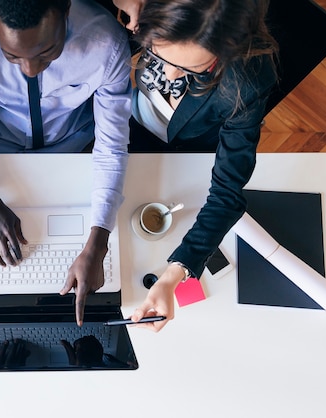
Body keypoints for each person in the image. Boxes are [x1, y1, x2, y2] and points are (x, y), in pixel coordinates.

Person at [0, 0, 132, 326]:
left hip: (76, 150)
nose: (30, 69)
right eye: (11, 56)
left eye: (47, 52)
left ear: (66, 11)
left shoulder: (106, 42)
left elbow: (111, 145)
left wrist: (98, 244)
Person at [112, 0, 278, 331]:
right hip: (124, 124)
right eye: (159, 55)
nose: (170, 75)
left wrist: (173, 277)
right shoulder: (141, 14)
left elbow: (227, 193)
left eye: (192, 70)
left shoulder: (246, 81)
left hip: (186, 148)